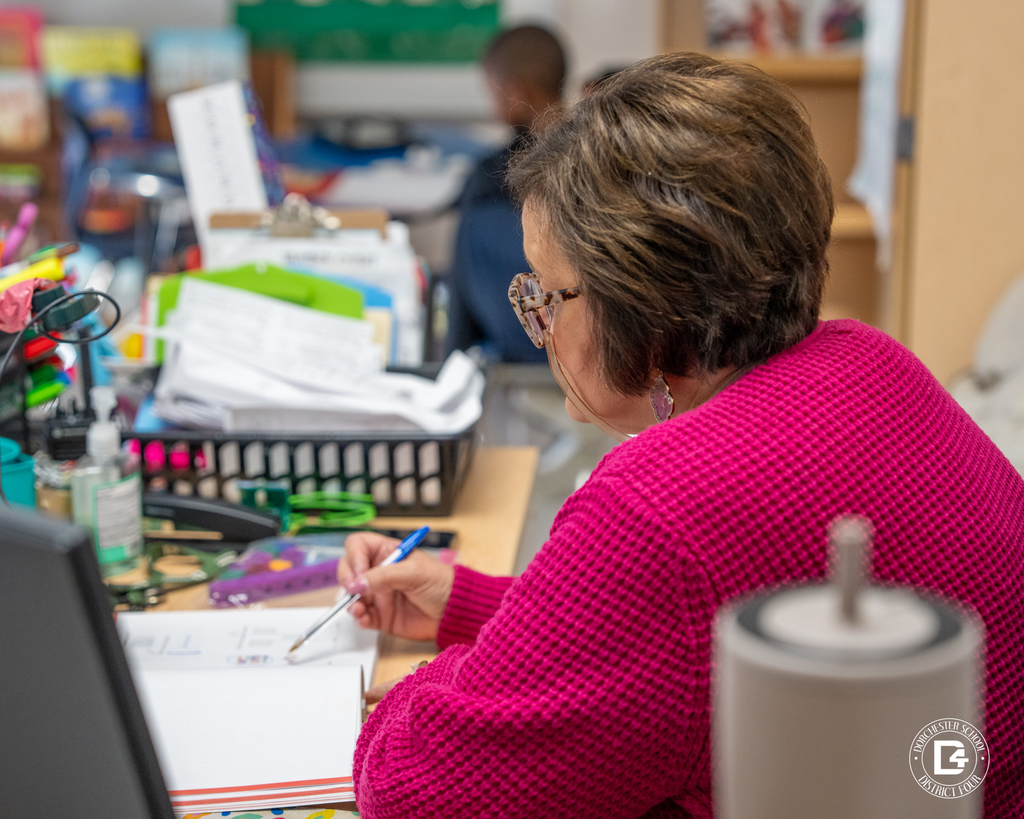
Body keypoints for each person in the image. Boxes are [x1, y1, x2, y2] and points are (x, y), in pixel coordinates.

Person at [340, 54, 1024, 817]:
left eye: (545, 292)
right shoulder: (870, 359)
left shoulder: (655, 503)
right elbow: (690, 636)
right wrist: (480, 606)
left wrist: (444, 677)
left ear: (636, 303)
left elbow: (413, 790)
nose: (538, 325)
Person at [446, 25, 566, 363]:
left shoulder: (496, 173)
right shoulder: (590, 145)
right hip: (591, 320)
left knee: (473, 224)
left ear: (516, 91)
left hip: (537, 339)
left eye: (494, 94)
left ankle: (454, 362)